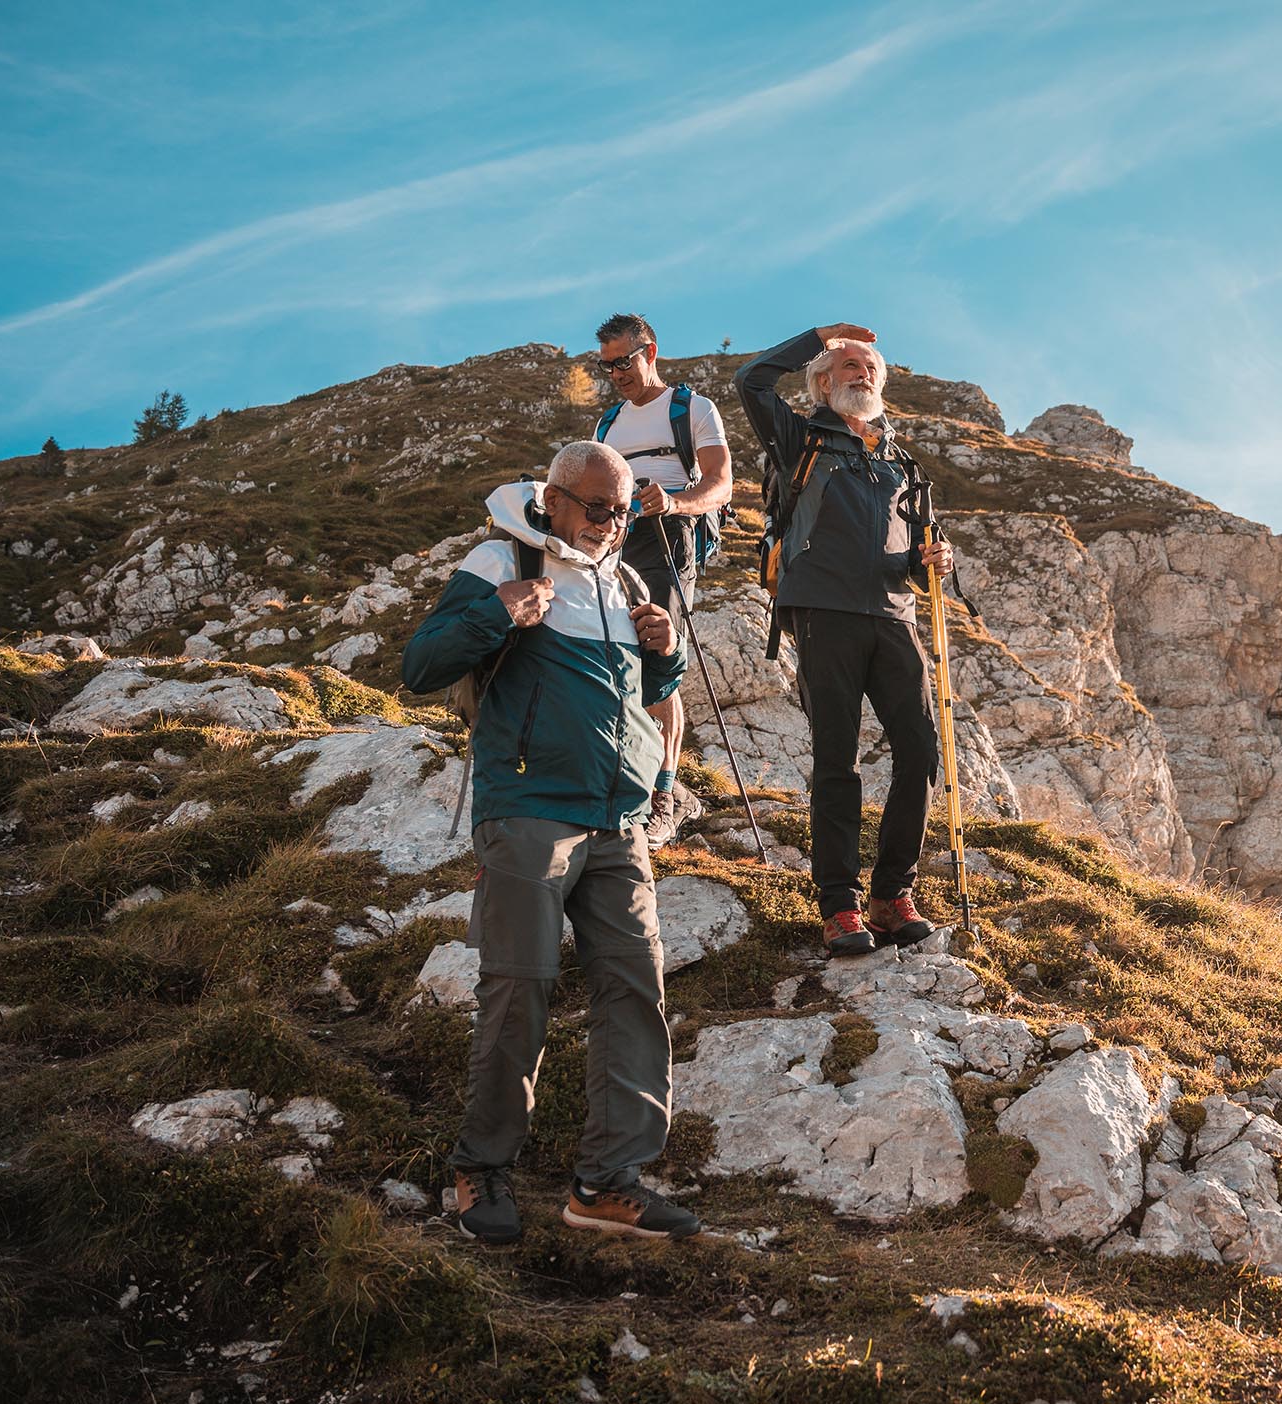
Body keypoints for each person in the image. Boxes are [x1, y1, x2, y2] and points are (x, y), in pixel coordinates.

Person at [400, 441, 701, 1243]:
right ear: (557, 498)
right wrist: (496, 613)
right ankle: (480, 1171)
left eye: (625, 508)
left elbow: (646, 698)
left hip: (618, 822)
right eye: (598, 507)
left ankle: (607, 1183)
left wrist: (663, 656)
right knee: (519, 986)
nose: (611, 523)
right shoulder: (501, 555)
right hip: (529, 806)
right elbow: (421, 664)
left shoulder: (626, 580)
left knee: (636, 990)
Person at [734, 323, 954, 957]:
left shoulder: (900, 461)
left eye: (873, 370)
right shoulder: (798, 438)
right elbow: (749, 379)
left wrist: (933, 559)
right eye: (851, 366)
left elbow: (915, 552)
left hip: (894, 615)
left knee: (919, 752)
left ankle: (891, 896)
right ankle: (839, 905)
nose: (866, 375)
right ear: (824, 381)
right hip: (821, 610)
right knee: (838, 758)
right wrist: (819, 337)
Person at [589, 313, 735, 850]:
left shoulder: (692, 408)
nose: (616, 374)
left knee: (657, 654)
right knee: (609, 653)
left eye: (623, 362)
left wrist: (674, 502)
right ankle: (624, 775)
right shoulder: (606, 426)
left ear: (650, 351)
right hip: (612, 540)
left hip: (669, 536)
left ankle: (663, 796)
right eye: (606, 367)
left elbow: (721, 483)